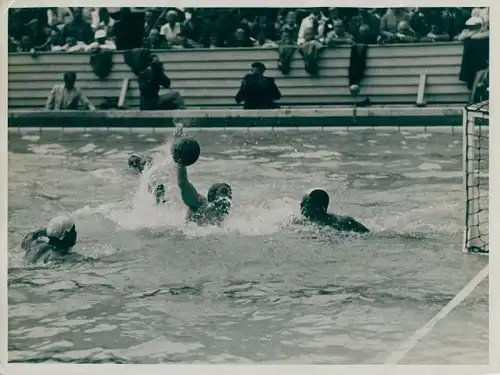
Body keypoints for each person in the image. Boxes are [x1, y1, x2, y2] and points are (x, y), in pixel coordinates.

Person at [173, 125, 232, 226]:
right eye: (224, 192)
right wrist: (181, 160)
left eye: (229, 194)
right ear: (213, 197)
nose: (228, 197)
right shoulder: (200, 205)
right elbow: (182, 183)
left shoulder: (222, 219)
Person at [299, 189, 370, 233]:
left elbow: (367, 234)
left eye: (306, 203)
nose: (301, 205)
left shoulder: (342, 223)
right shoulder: (304, 222)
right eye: (302, 202)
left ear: (318, 208)